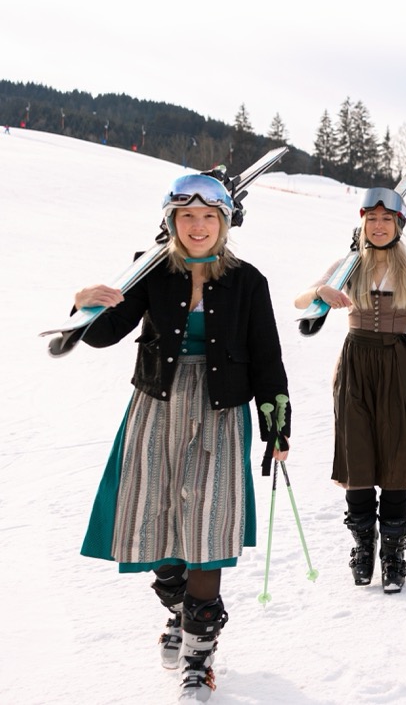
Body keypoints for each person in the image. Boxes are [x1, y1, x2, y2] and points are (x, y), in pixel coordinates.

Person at [78, 173, 290, 702]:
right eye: (187, 217)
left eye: (209, 217)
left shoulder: (247, 280)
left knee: (207, 530)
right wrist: (86, 301)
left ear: (224, 223)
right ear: (171, 220)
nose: (198, 226)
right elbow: (103, 335)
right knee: (157, 520)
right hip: (157, 407)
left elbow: (267, 359)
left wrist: (277, 426)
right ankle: (178, 608)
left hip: (220, 414)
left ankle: (199, 657)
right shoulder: (151, 271)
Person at [295, 187, 406, 594]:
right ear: (362, 223)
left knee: (395, 459)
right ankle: (363, 545)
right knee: (358, 459)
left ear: (398, 225)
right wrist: (320, 291)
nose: (377, 226)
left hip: (398, 365)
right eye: (371, 219)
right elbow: (299, 300)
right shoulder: (348, 264)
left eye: (386, 219)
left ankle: (392, 551)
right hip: (355, 365)